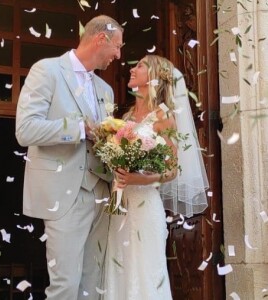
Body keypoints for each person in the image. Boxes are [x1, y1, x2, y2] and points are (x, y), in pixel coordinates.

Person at [15, 15, 124, 300]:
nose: (118, 55)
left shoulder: (106, 89)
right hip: (63, 194)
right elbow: (25, 130)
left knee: (93, 283)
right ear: (101, 38)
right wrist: (78, 129)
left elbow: (106, 141)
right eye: (117, 46)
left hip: (100, 192)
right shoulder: (47, 71)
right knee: (65, 284)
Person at [102, 55, 209, 299]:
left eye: (140, 65)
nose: (132, 68)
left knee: (145, 274)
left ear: (153, 77)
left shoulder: (163, 118)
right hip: (120, 206)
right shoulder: (126, 117)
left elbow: (172, 170)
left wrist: (138, 179)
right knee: (118, 271)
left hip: (144, 207)